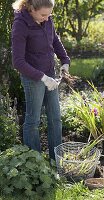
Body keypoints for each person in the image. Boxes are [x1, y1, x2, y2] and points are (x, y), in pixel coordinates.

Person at [11, 0, 70, 160]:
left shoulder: (47, 19)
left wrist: (65, 61)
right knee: (33, 121)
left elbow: (55, 40)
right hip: (33, 78)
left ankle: (56, 161)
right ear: (31, 9)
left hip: (49, 73)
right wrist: (42, 78)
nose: (46, 18)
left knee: (55, 119)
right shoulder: (20, 25)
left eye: (49, 15)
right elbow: (18, 62)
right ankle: (35, 164)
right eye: (43, 15)